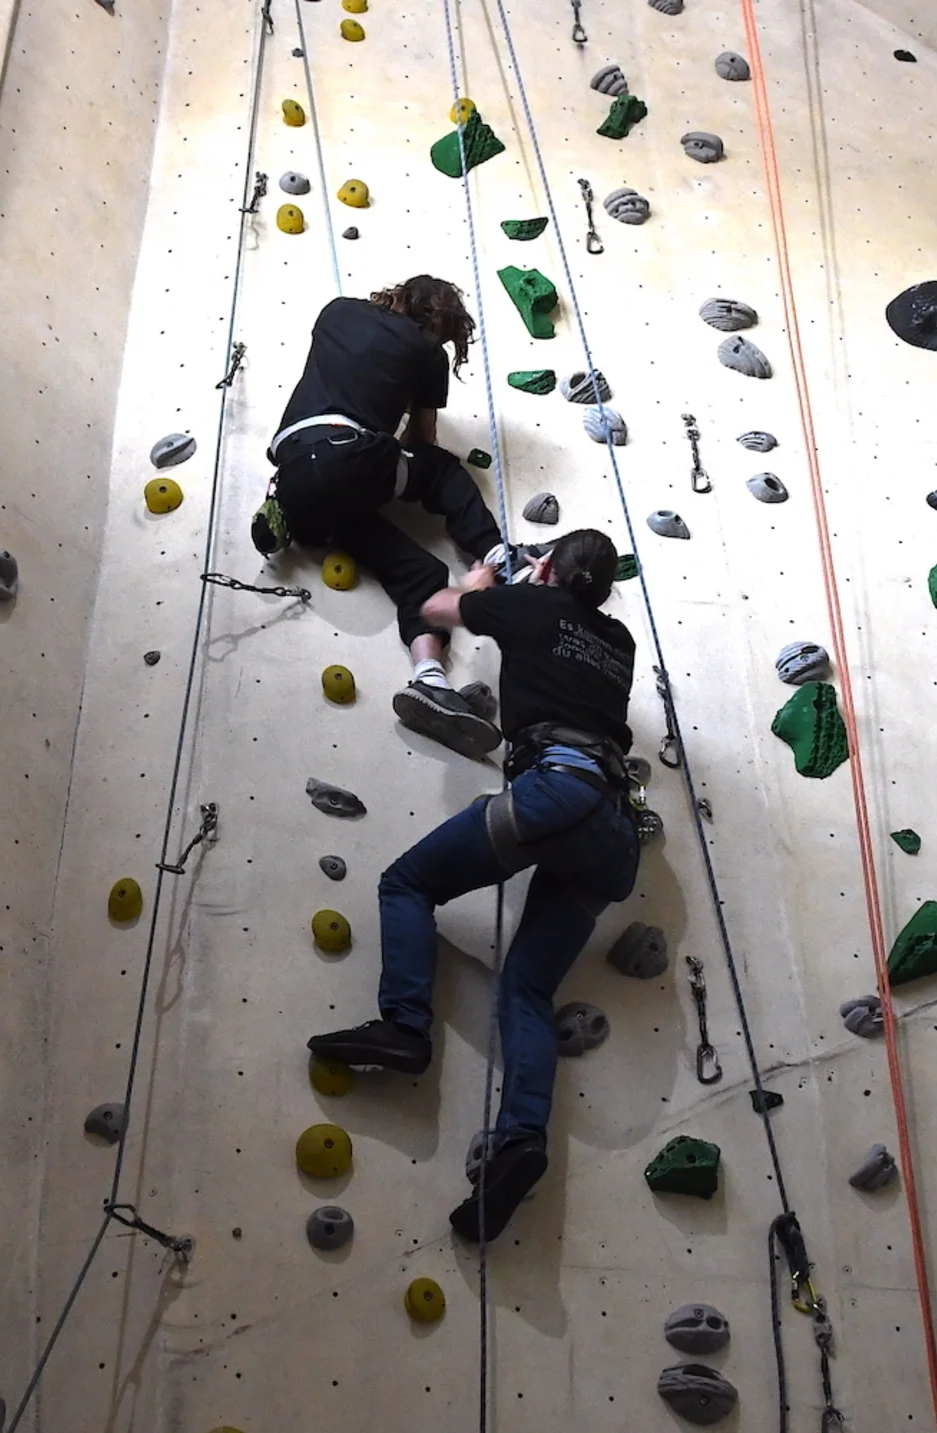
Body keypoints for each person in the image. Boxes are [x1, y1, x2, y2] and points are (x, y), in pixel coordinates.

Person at [307, 529, 641, 1243]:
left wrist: (487, 576)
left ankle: (405, 1026)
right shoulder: (621, 644)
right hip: (613, 837)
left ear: (547, 568)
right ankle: (521, 1139)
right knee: (525, 988)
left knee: (407, 883)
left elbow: (436, 607)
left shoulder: (531, 605)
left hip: (560, 792)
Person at [251, 275, 535, 760]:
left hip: (300, 485)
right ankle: (498, 554)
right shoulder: (427, 351)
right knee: (440, 470)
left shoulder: (336, 310)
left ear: (399, 296)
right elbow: (423, 441)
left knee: (422, 574)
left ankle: (429, 681)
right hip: (347, 455)